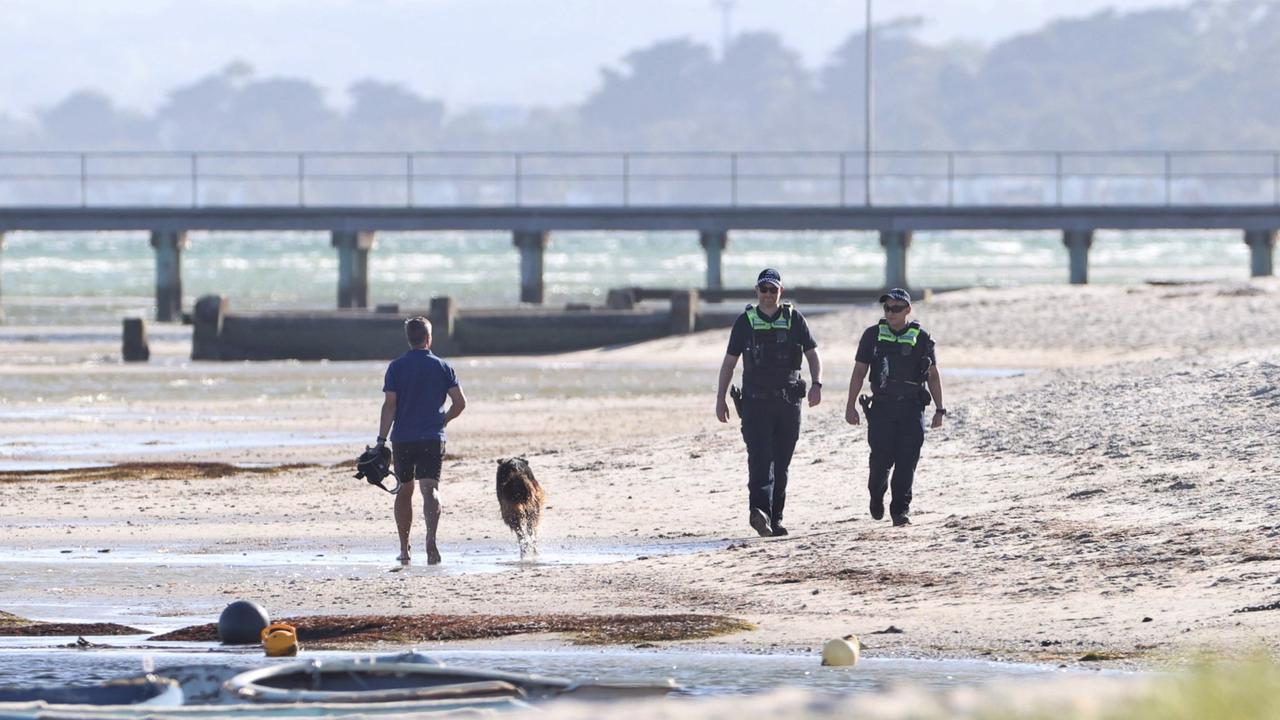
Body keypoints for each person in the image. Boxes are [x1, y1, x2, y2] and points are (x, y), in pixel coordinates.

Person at [716, 268, 823, 538]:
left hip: (788, 404)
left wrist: (816, 384)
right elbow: (729, 363)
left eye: (772, 290)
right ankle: (759, 513)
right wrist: (720, 398)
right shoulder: (745, 322)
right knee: (761, 460)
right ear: (757, 291)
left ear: (780, 292)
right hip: (755, 403)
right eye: (763, 290)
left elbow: (812, 354)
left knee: (781, 463)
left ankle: (775, 519)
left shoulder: (794, 319)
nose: (767, 295)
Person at [844, 288, 945, 526]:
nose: (890, 313)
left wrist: (940, 409)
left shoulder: (922, 338)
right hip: (881, 409)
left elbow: (933, 375)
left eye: (896, 309)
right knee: (880, 461)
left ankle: (900, 510)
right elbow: (859, 371)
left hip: (912, 408)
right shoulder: (872, 335)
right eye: (887, 308)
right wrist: (850, 406)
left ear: (908, 310)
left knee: (906, 462)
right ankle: (876, 496)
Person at [377, 316, 466, 564]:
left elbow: (390, 405)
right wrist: (443, 420)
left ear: (409, 339)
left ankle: (405, 549)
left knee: (405, 490)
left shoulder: (396, 367)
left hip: (403, 438)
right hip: (432, 437)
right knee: (430, 490)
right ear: (429, 338)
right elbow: (460, 403)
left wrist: (380, 439)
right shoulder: (442, 366)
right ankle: (431, 541)